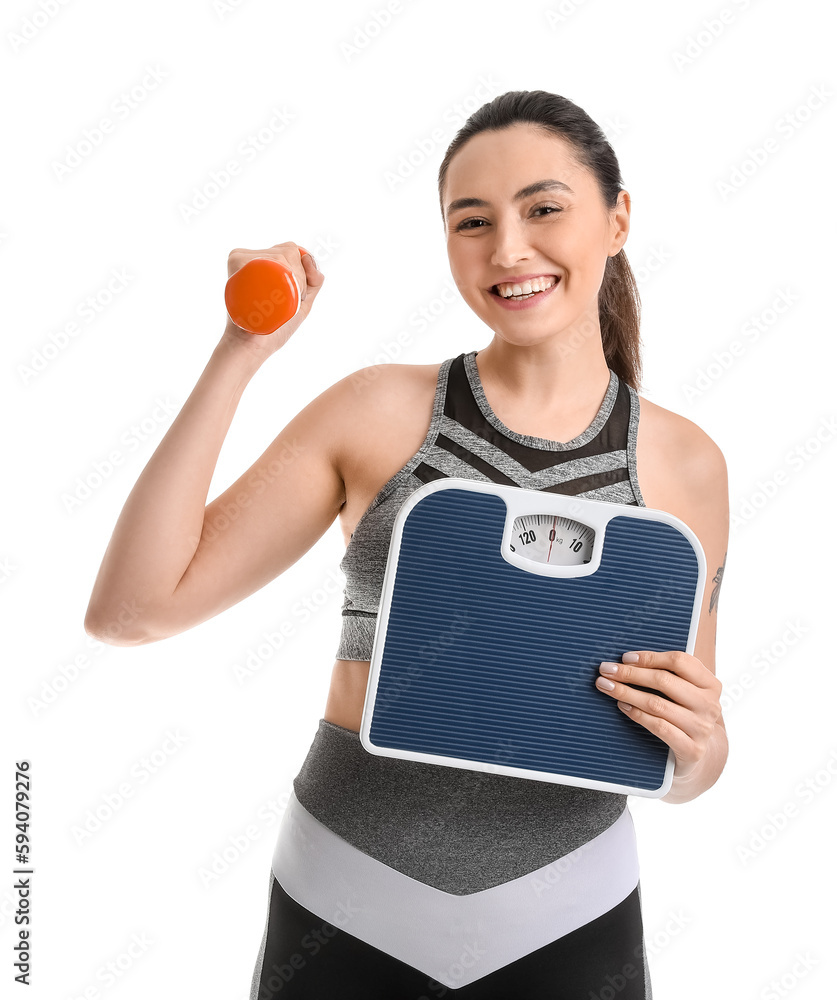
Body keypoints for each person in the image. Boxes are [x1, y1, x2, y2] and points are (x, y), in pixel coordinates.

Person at [84, 90, 729, 998]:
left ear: (616, 219)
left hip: (573, 911)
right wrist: (239, 350)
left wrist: (698, 748)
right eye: (472, 222)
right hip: (346, 897)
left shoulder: (685, 463)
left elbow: (683, 762)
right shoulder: (377, 411)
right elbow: (130, 611)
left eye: (544, 208)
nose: (507, 249)